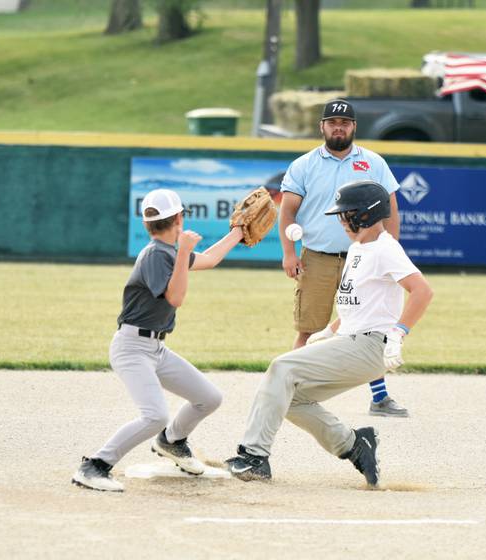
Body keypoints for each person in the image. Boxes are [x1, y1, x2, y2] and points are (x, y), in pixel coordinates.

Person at [226, 180, 433, 488]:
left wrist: (398, 332)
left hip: (371, 345)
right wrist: (328, 330)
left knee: (282, 367)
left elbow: (422, 291)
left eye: (345, 214)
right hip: (350, 340)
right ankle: (352, 445)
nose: (341, 220)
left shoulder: (386, 248)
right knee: (290, 397)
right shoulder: (358, 249)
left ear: (365, 214)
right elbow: (355, 304)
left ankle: (254, 457)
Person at [72, 188, 245, 492]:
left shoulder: (167, 252)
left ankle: (172, 441)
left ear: (147, 223)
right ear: (179, 218)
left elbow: (209, 259)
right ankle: (95, 465)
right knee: (155, 415)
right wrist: (182, 251)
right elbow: (176, 297)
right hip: (131, 349)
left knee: (209, 398)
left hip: (155, 349)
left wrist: (238, 233)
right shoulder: (156, 254)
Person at [279, 98, 409, 418]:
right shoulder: (304, 164)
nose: (339, 128)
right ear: (322, 126)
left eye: (345, 123)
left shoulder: (373, 162)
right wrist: (288, 253)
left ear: (353, 127)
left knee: (369, 327)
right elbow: (287, 210)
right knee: (310, 326)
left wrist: (389, 247)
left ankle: (379, 398)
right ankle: (289, 387)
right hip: (318, 256)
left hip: (365, 256)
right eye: (333, 123)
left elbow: (390, 207)